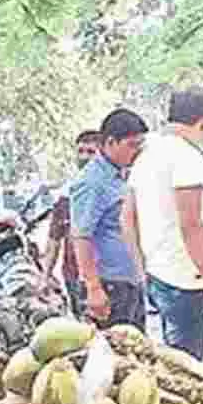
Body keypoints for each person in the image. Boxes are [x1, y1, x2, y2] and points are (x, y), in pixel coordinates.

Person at [126, 88, 203, 359]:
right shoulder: (186, 157)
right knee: (186, 366)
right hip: (187, 281)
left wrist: (142, 269)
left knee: (172, 361)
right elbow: (191, 225)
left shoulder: (146, 154)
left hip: (160, 274)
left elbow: (128, 218)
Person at [71, 112, 148, 331]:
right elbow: (81, 236)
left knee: (137, 357)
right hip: (108, 285)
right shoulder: (92, 182)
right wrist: (94, 288)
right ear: (110, 142)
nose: (137, 152)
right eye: (132, 145)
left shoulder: (122, 176)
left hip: (129, 282)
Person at [42, 131, 102, 317]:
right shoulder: (67, 194)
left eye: (91, 152)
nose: (84, 157)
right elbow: (54, 239)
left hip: (106, 275)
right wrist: (45, 276)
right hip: (74, 275)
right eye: (81, 151)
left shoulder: (114, 189)